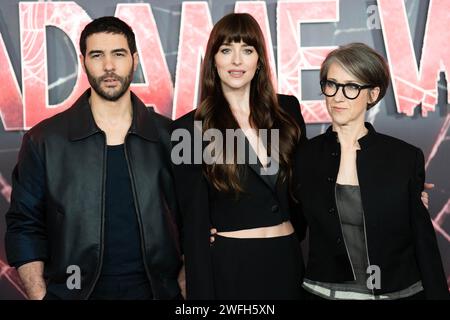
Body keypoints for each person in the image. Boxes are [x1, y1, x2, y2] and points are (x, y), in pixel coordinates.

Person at [4, 16, 182, 300]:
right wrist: (40, 296)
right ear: (83, 61)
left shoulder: (170, 136)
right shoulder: (45, 140)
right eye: (97, 55)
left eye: (119, 54)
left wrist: (182, 290)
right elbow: (24, 225)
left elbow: (193, 221)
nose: (109, 66)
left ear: (134, 60)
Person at [293, 43, 449, 300]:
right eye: (331, 84)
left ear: (373, 93)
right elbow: (288, 222)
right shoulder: (304, 157)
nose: (338, 96)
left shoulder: (405, 158)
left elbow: (424, 244)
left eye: (352, 87)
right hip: (321, 292)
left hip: (397, 293)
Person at [171, 13, 307, 299]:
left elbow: (309, 180)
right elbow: (192, 221)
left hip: (287, 260)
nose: (236, 60)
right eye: (226, 50)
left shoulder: (287, 111)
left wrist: (398, 185)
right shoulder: (190, 129)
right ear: (213, 60)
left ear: (258, 60)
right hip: (232, 266)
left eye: (247, 50)